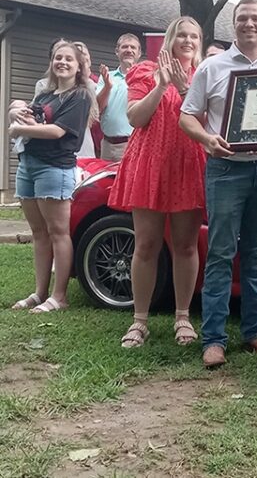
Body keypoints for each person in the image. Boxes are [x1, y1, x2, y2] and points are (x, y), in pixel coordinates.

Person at [180, 0, 257, 368]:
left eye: (256, 19)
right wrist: (206, 140)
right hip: (226, 169)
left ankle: (255, 333)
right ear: (234, 25)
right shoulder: (212, 67)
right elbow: (187, 116)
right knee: (219, 255)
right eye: (242, 19)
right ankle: (213, 339)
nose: (249, 24)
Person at [108, 17, 206, 347]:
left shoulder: (206, 74)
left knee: (185, 245)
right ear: (170, 38)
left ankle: (183, 317)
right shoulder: (146, 71)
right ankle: (139, 321)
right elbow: (135, 118)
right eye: (182, 34)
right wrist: (161, 84)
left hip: (188, 163)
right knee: (146, 244)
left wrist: (182, 87)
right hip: (149, 163)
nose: (188, 40)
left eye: (194, 36)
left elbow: (209, 122)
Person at [9, 42, 93, 312]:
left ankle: (59, 297)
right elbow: (25, 115)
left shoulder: (79, 96)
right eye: (58, 57)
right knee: (38, 233)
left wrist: (20, 129)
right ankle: (39, 292)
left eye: (69, 59)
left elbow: (57, 132)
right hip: (28, 165)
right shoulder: (46, 95)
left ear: (79, 66)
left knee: (58, 232)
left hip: (54, 168)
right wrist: (16, 112)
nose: (63, 62)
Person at [97, 33, 142, 161]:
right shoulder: (106, 76)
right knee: (105, 181)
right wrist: (107, 86)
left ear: (139, 53)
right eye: (125, 47)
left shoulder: (144, 77)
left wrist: (135, 76)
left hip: (132, 144)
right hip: (106, 144)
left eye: (133, 48)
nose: (129, 50)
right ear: (117, 51)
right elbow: (98, 107)